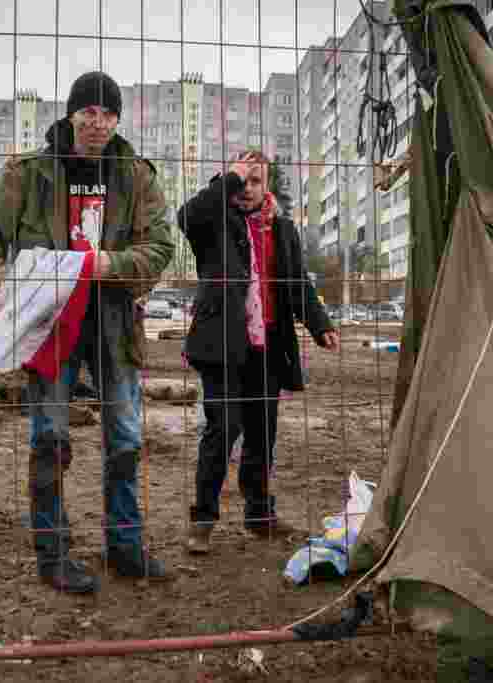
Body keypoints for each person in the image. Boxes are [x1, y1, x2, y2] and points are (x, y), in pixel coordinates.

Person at [0, 71, 175, 594]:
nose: (97, 123)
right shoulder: (30, 173)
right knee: (49, 437)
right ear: (72, 116)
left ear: (118, 120)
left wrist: (99, 266)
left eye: (107, 114)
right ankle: (53, 554)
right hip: (48, 323)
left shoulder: (134, 176)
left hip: (114, 324)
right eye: (87, 113)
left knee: (125, 438)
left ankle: (125, 547)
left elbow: (160, 249)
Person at [177, 150, 339, 554]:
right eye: (242, 180)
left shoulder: (282, 230)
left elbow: (297, 282)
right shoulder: (214, 220)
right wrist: (228, 179)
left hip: (267, 346)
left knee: (262, 433)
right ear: (230, 180)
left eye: (256, 180)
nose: (248, 188)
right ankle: (202, 519)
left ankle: (259, 513)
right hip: (222, 346)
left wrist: (320, 324)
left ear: (267, 186)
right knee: (223, 428)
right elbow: (186, 216)